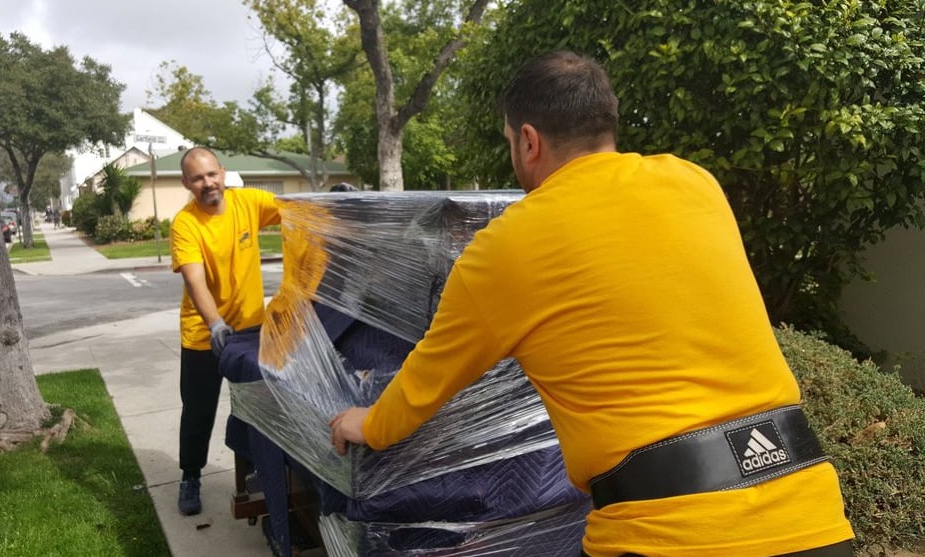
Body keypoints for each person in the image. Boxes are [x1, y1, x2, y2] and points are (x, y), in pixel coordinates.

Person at [330, 51, 855, 556]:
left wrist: (370, 424)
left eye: (511, 140)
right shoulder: (695, 183)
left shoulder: (506, 246)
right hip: (812, 516)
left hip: (667, 536)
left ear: (529, 141)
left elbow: (426, 381)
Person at [170, 146, 280, 516]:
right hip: (204, 334)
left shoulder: (250, 202)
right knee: (199, 410)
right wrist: (214, 322)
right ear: (187, 183)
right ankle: (190, 476)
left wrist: (335, 203)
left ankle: (254, 473)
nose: (207, 183)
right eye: (198, 178)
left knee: (253, 408)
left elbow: (298, 210)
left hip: (250, 330)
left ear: (223, 172)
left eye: (211, 174)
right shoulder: (185, 224)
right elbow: (194, 277)